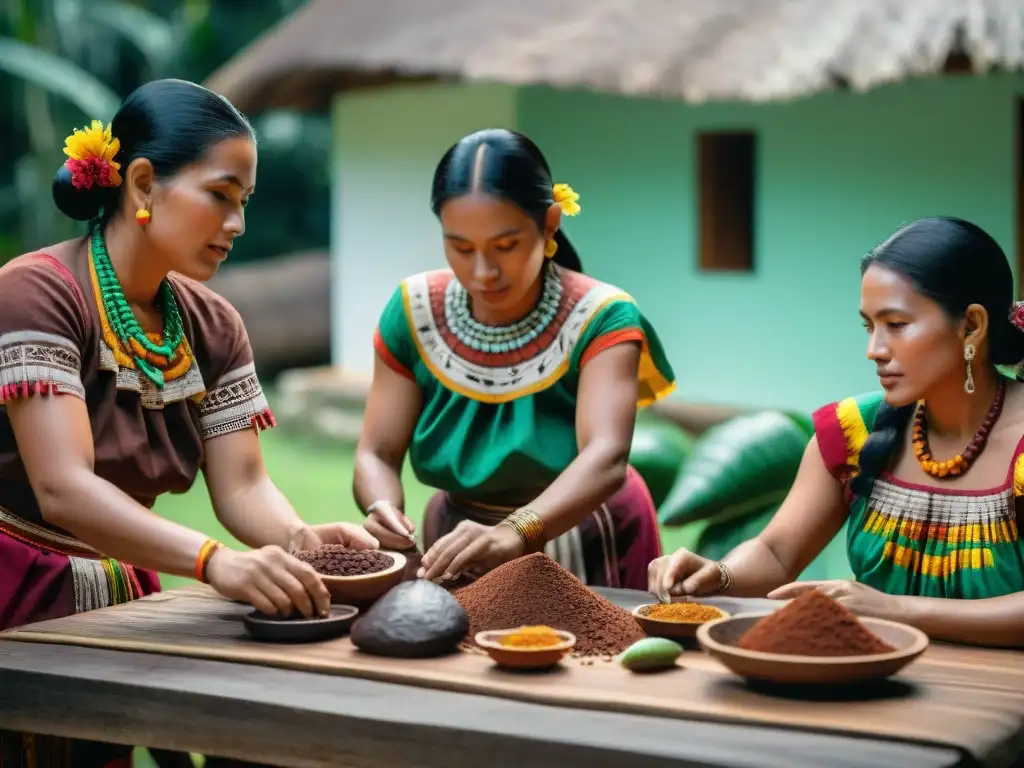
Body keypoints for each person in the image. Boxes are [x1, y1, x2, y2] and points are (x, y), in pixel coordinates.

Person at [0, 79, 376, 767]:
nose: (236, 223)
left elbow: (242, 486)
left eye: (244, 203)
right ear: (143, 184)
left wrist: (300, 539)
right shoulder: (38, 292)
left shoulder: (211, 323)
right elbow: (62, 488)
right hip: (13, 587)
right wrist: (213, 562)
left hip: (122, 592)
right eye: (220, 196)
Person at [648, 216, 1024, 648]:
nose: (875, 350)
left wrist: (897, 609)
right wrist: (719, 574)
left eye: (897, 325)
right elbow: (775, 554)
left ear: (971, 325)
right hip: (872, 683)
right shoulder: (853, 431)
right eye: (869, 326)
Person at [354, 128, 676, 589]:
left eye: (505, 246)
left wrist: (515, 531)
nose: (482, 271)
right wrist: (382, 508)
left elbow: (606, 455)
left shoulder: (601, 316)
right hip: (458, 539)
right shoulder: (413, 312)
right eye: (461, 247)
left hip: (588, 530)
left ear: (549, 224)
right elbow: (376, 453)